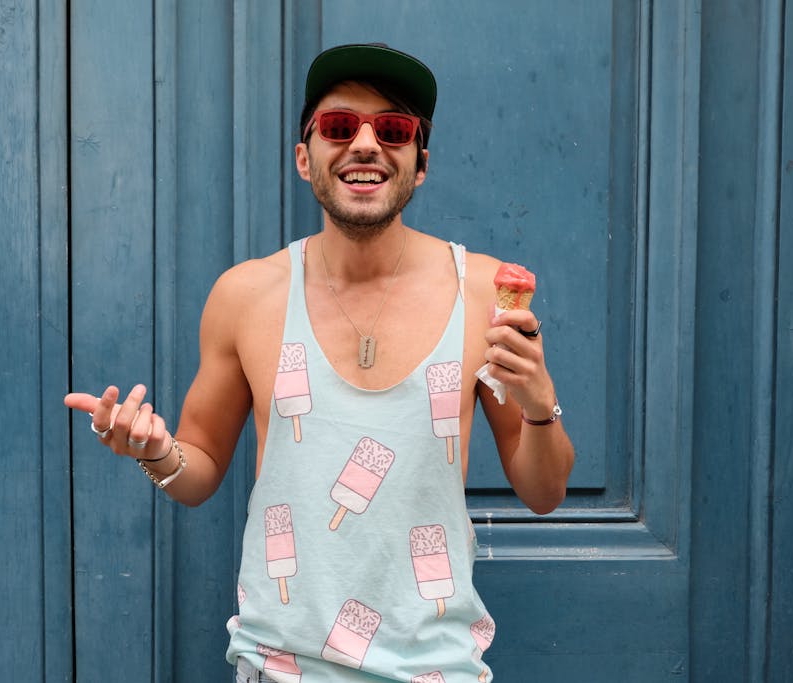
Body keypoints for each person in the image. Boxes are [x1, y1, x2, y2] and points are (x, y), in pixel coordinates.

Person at [65, 43, 573, 683]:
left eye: (393, 129)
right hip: (277, 667)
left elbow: (544, 492)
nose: (366, 144)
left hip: (433, 670)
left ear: (420, 164)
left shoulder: (485, 294)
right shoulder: (246, 295)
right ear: (306, 159)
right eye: (339, 126)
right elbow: (198, 473)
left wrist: (538, 407)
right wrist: (154, 451)